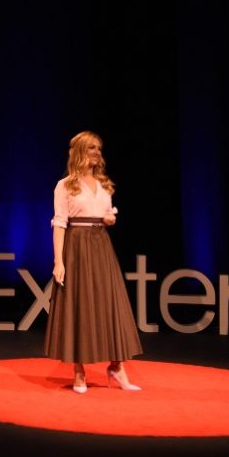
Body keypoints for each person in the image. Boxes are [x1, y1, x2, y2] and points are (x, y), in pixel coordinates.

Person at [43, 131, 143, 394]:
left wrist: (109, 218)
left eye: (98, 148)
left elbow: (105, 214)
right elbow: (60, 224)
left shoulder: (104, 184)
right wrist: (59, 261)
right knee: (80, 306)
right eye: (91, 148)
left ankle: (117, 367)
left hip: (100, 246)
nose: (96, 153)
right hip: (77, 246)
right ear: (79, 152)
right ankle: (79, 372)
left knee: (110, 304)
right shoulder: (64, 185)